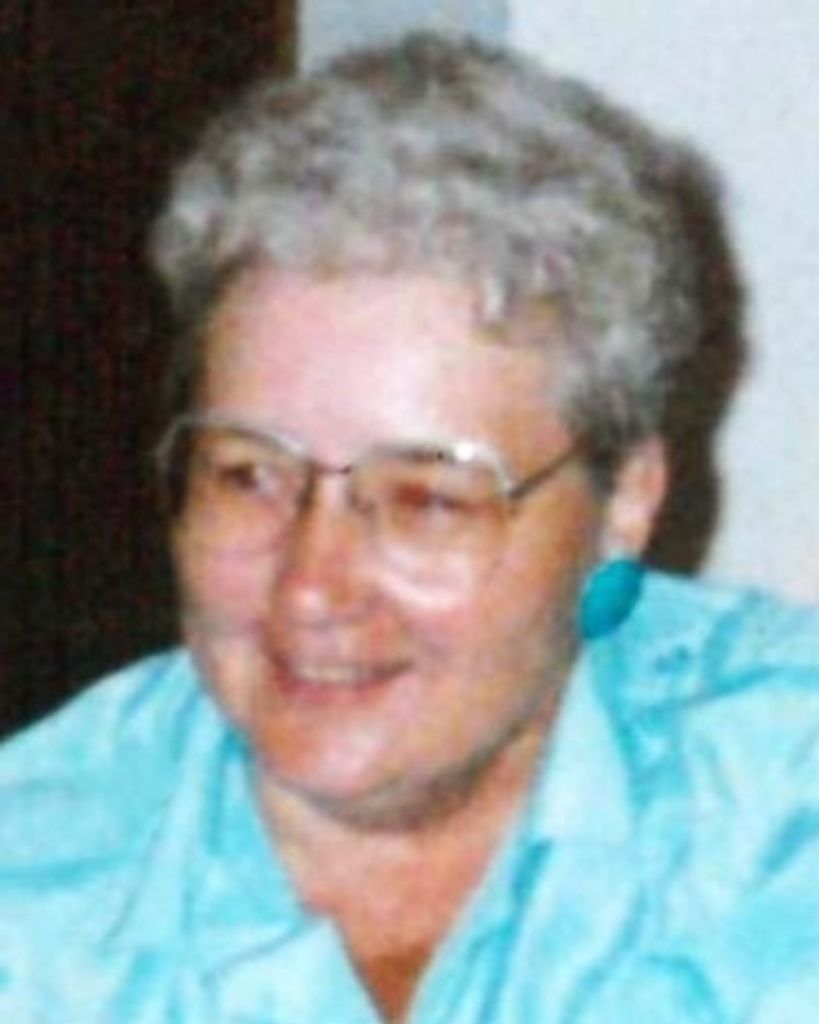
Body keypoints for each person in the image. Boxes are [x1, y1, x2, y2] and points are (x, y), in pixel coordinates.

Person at [2, 31, 819, 1024]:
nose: (312, 586)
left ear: (623, 504)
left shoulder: (783, 818)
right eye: (250, 476)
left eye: (427, 499)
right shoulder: (33, 898)